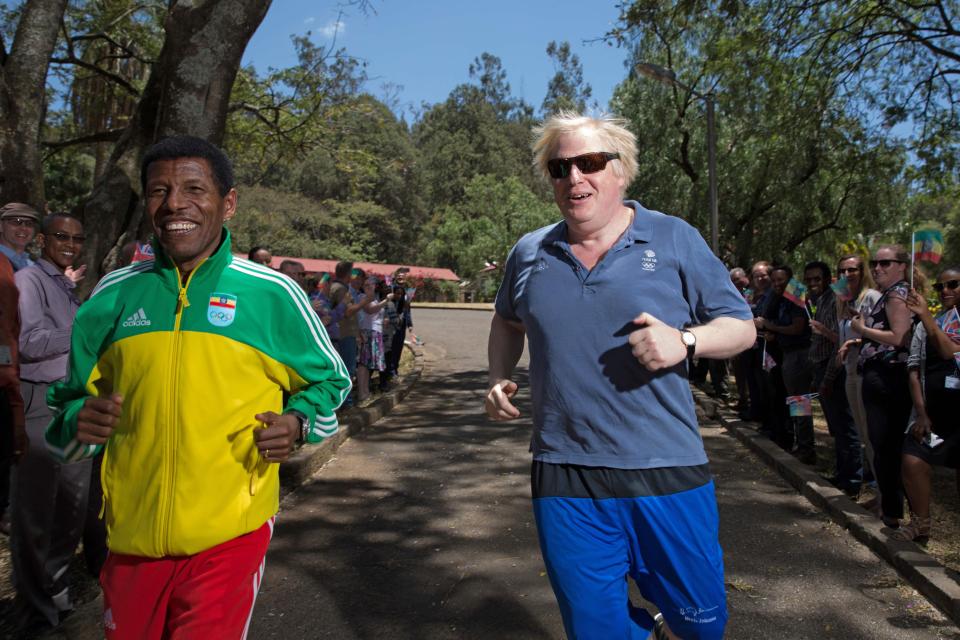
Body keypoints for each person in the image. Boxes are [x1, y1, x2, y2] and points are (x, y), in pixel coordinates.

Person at [44, 136, 351, 638]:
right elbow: (65, 417)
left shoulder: (272, 294)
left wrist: (296, 424)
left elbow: (331, 382)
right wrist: (79, 421)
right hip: (129, 542)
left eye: (193, 188)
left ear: (227, 203)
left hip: (230, 536)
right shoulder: (112, 297)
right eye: (159, 190)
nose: (174, 204)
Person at [485, 112, 755, 640]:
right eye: (560, 168)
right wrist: (498, 376)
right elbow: (506, 319)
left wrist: (686, 341)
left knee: (700, 627)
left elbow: (741, 328)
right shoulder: (529, 252)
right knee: (595, 631)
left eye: (588, 163)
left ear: (621, 170)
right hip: (564, 469)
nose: (573, 178)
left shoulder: (673, 238)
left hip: (665, 468)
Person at [11, 213, 101, 630]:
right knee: (35, 516)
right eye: (62, 236)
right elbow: (28, 343)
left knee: (71, 507)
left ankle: (57, 593)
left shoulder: (64, 285)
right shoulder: (30, 280)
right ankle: (34, 612)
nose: (70, 243)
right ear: (43, 239)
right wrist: (85, 329)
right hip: (41, 404)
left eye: (77, 238)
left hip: (72, 405)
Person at [853, 245, 915, 528]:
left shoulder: (897, 294)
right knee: (882, 445)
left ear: (902, 265)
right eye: (875, 263)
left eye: (885, 263)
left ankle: (891, 512)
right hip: (880, 376)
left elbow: (899, 337)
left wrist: (862, 330)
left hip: (889, 378)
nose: (878, 268)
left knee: (886, 445)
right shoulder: (892, 294)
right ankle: (888, 506)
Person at [898, 267, 960, 541]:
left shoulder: (931, 321)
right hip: (933, 415)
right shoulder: (930, 323)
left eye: (953, 285)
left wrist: (925, 317)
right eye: (940, 287)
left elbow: (949, 351)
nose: (945, 291)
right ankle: (920, 525)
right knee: (913, 459)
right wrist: (921, 413)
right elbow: (913, 369)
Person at [806, 260, 862, 495]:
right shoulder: (822, 301)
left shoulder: (838, 299)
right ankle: (843, 473)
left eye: (817, 279)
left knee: (847, 428)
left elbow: (838, 340)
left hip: (837, 370)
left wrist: (828, 378)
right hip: (821, 368)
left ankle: (852, 481)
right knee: (837, 428)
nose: (812, 284)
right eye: (808, 280)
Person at [835, 255, 882, 501]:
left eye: (852, 269)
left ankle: (884, 497)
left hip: (867, 372)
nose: (847, 275)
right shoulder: (845, 301)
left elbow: (886, 335)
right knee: (864, 436)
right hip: (849, 372)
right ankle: (878, 494)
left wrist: (855, 339)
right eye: (842, 270)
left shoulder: (872, 297)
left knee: (872, 437)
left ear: (862, 271)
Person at [758, 265, 814, 462]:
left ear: (790, 279)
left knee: (799, 402)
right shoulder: (779, 297)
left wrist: (771, 326)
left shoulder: (796, 292)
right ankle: (799, 442)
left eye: (780, 280)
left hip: (799, 355)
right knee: (795, 401)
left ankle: (806, 447)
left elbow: (797, 328)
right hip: (788, 353)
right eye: (773, 281)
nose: (776, 284)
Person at [0, 251, 26, 536]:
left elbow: (8, 321)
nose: (22, 228)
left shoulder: (5, 265)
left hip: (6, 370)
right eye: (15, 221)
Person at [0, 202, 39, 271]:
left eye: (29, 223)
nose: (23, 228)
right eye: (16, 222)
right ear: (1, 226)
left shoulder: (31, 265)